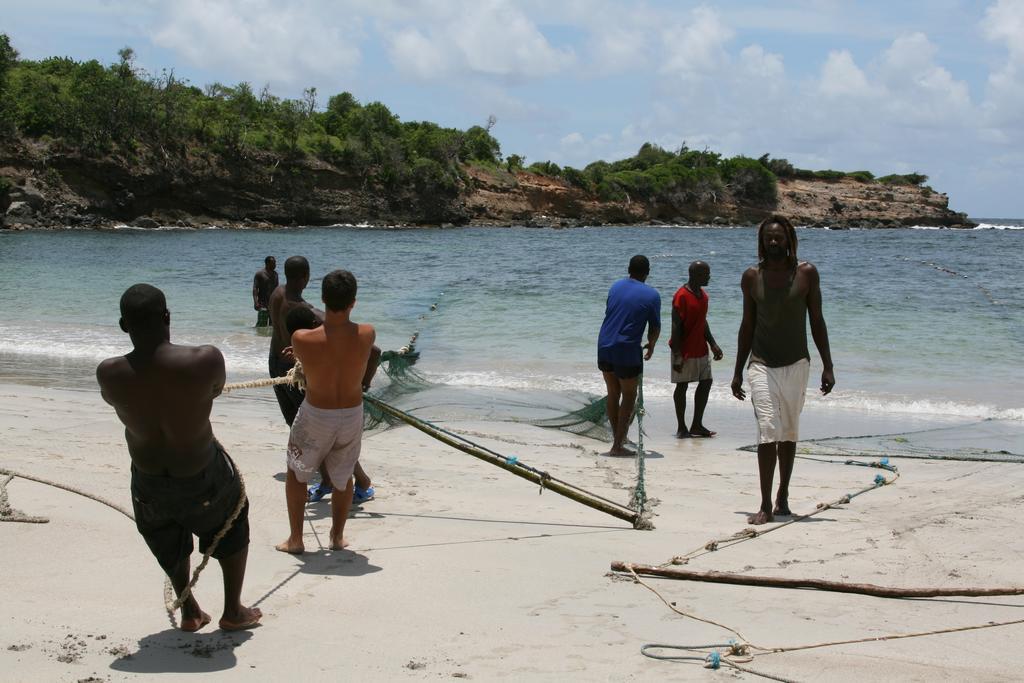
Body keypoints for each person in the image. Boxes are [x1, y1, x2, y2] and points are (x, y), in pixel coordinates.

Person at [96, 284, 261, 632]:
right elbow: (215, 389)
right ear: (167, 317)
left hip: (148, 477)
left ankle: (189, 611)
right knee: (233, 519)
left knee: (164, 535)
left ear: (124, 326)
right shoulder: (205, 360)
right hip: (200, 470)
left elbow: (116, 400)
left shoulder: (109, 373)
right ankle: (233, 610)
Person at [731, 215, 835, 525]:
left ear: (789, 240)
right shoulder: (751, 277)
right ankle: (763, 504)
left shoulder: (806, 274)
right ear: (761, 242)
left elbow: (817, 320)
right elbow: (747, 325)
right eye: (768, 238)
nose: (773, 242)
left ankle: (783, 496)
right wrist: (737, 370)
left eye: (779, 238)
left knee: (788, 432)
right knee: (768, 430)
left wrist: (828, 365)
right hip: (761, 364)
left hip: (797, 363)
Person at [277, 270, 380, 554]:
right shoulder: (367, 333)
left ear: (322, 298)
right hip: (351, 413)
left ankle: (296, 540)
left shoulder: (302, 338)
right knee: (343, 475)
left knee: (297, 474)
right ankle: (336, 536)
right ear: (354, 302)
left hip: (317, 414)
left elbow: (307, 363)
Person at [597, 255, 661, 456]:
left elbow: (611, 311)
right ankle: (617, 445)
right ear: (647, 272)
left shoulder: (615, 286)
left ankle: (618, 439)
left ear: (628, 269)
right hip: (626, 349)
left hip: (604, 344)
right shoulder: (652, 295)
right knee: (629, 396)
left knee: (613, 393)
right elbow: (655, 326)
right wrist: (651, 345)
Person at [670, 260, 723, 438]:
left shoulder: (704, 296)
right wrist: (677, 355)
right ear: (694, 275)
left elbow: (703, 321)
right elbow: (676, 326)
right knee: (682, 386)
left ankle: (697, 424)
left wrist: (713, 344)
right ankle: (681, 427)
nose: (709, 277)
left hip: (700, 348)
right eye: (705, 274)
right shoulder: (681, 296)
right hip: (683, 350)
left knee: (706, 382)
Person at [252, 256, 278, 327]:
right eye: (273, 263)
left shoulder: (275, 274)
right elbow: (255, 288)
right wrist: (255, 302)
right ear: (267, 263)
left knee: (273, 326)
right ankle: (256, 337)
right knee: (261, 326)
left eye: (275, 263)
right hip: (262, 304)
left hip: (273, 304)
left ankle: (267, 338)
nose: (275, 265)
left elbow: (276, 289)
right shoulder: (259, 274)